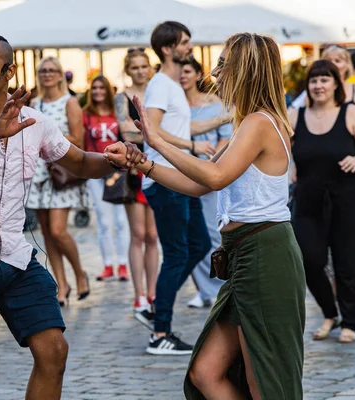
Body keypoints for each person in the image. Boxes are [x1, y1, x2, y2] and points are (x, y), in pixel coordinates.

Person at [0, 30, 143, 400]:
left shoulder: (35, 122)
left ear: (9, 71)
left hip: (15, 260)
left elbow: (81, 162)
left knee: (54, 351)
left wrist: (118, 159)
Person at [105, 32, 307, 399]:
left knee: (261, 377)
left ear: (244, 70)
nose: (215, 72)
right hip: (245, 257)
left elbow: (213, 177)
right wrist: (144, 164)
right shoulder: (246, 124)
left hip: (265, 254)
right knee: (206, 373)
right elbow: (200, 184)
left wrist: (157, 138)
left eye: (223, 63)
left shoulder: (260, 122)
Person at [290, 60, 355, 345]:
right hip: (307, 200)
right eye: (314, 80)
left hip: (346, 198)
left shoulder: (350, 112)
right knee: (307, 259)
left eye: (325, 80)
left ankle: (349, 321)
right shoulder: (295, 114)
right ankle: (330, 313)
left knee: (347, 262)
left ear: (335, 84)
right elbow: (279, 150)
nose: (319, 85)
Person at [139, 21, 211, 355]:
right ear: (168, 48)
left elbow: (182, 125)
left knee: (199, 245)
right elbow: (152, 131)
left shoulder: (171, 85)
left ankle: (157, 308)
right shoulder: (159, 85)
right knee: (179, 252)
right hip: (165, 178)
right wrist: (193, 148)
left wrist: (226, 119)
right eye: (184, 41)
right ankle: (160, 333)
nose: (189, 46)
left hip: (180, 175)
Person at [26, 57, 90, 306]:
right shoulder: (34, 103)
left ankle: (79, 273)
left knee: (58, 231)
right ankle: (61, 286)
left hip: (61, 173)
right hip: (39, 174)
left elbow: (78, 140)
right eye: (43, 70)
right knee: (47, 235)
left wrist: (49, 134)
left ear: (60, 74)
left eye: (52, 70)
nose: (47, 74)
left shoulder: (70, 102)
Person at [181, 57, 232, 309]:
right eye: (179, 71)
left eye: (187, 71)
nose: (182, 75)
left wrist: (212, 163)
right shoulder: (173, 105)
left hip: (209, 171)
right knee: (190, 235)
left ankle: (217, 286)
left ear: (197, 74)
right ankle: (202, 289)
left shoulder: (216, 105)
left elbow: (226, 138)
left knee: (213, 234)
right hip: (180, 173)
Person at [114, 48, 159, 314]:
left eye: (144, 66)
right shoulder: (123, 97)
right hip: (133, 167)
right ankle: (138, 293)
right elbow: (124, 129)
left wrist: (149, 134)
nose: (141, 71)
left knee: (153, 234)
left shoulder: (157, 92)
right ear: (128, 69)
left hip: (156, 164)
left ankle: (152, 292)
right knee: (138, 234)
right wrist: (153, 134)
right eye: (135, 67)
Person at [83, 76, 130, 281]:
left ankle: (123, 264)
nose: (98, 91)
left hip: (119, 172)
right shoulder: (86, 114)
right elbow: (83, 143)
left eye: (102, 87)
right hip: (95, 172)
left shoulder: (117, 113)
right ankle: (108, 264)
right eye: (94, 88)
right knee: (103, 221)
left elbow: (128, 136)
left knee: (121, 220)